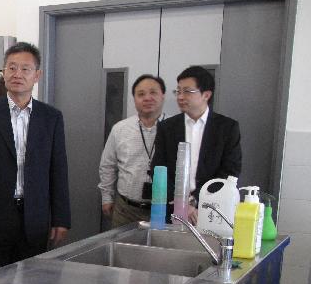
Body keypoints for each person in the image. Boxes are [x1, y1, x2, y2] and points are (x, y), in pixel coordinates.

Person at [0, 42, 70, 273]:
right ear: (3, 72)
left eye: (25, 69)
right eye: (12, 67)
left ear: (37, 75)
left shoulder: (51, 117)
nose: (17, 74)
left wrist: (61, 217)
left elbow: (58, 170)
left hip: (35, 216)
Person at [152, 65, 241, 224]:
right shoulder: (167, 127)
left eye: (187, 91)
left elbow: (229, 171)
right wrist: (181, 202)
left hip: (212, 209)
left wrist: (195, 202)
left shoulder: (227, 128)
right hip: (172, 211)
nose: (180, 96)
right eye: (178, 91)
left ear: (206, 95)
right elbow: (158, 168)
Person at [98, 74, 166, 227]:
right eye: (141, 94)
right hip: (125, 210)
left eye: (153, 92)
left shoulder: (174, 128)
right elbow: (108, 165)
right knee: (122, 250)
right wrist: (106, 198)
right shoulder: (120, 129)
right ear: (134, 99)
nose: (147, 98)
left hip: (163, 210)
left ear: (163, 96)